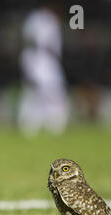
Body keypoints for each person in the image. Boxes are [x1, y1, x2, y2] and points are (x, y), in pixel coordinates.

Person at [18, 4, 69, 135]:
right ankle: (29, 126)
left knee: (52, 92)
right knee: (35, 93)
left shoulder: (51, 19)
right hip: (36, 59)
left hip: (48, 61)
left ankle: (53, 125)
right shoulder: (35, 18)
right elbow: (29, 40)